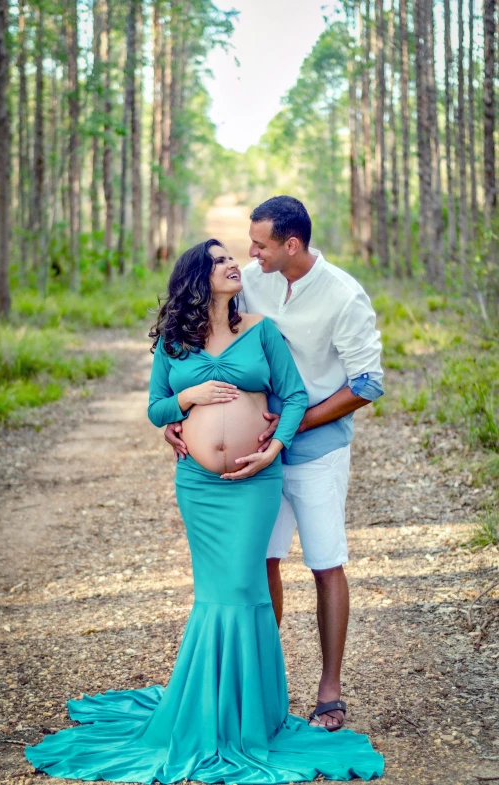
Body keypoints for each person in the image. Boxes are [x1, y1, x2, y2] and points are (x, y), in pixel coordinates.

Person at [25, 239, 384, 783]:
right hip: (198, 485)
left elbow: (290, 396)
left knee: (243, 590)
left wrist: (276, 446)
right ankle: (217, 712)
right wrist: (186, 403)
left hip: (255, 482)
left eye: (235, 256)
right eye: (220, 260)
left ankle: (249, 717)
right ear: (197, 277)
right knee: (221, 592)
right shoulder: (173, 342)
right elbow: (156, 408)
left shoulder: (261, 328)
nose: (235, 262)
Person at [165, 197, 384, 733]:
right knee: (261, 563)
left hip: (315, 450)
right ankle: (263, 687)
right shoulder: (254, 281)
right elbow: (207, 339)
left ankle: (329, 691)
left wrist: (293, 427)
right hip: (253, 466)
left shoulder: (343, 296)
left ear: (291, 244)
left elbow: (367, 383)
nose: (250, 252)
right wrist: (180, 414)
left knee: (325, 562)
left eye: (260, 243)